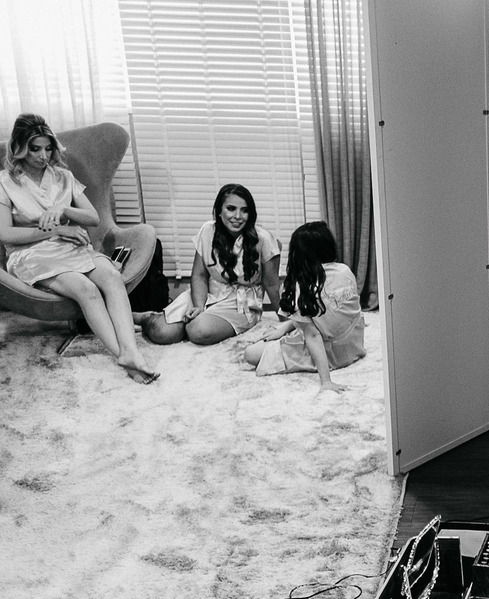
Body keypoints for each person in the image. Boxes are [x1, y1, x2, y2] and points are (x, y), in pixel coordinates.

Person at [0, 113, 158, 384]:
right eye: (35, 149)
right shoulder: (4, 182)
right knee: (87, 290)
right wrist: (58, 229)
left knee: (112, 277)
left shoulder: (63, 176)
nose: (43, 156)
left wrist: (64, 209)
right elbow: (5, 234)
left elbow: (93, 217)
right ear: (19, 148)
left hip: (69, 248)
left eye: (47, 148)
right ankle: (122, 355)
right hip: (31, 254)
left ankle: (131, 352)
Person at [135, 183, 281, 345]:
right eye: (231, 209)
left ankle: (185, 324)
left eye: (244, 210)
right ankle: (145, 317)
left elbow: (272, 284)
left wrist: (286, 321)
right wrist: (199, 306)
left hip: (241, 304)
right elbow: (199, 275)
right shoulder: (207, 230)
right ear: (219, 211)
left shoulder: (263, 239)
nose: (238, 216)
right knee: (162, 333)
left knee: (198, 331)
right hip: (207, 293)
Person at [242, 221, 364, 392]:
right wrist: (287, 326)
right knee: (290, 326)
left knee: (250, 353)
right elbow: (331, 313)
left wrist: (326, 381)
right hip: (353, 346)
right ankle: (289, 326)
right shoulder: (344, 270)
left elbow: (313, 335)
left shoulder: (302, 286)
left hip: (331, 353)